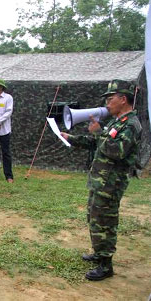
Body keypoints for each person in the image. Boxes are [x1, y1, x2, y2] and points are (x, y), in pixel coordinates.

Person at [61, 79, 142, 281]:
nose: (107, 103)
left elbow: (116, 150)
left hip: (111, 183)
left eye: (110, 99)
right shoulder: (117, 122)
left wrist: (98, 131)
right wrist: (70, 138)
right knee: (95, 219)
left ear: (123, 99)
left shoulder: (131, 124)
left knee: (105, 221)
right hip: (100, 181)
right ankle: (99, 253)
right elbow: (97, 143)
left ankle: (106, 265)